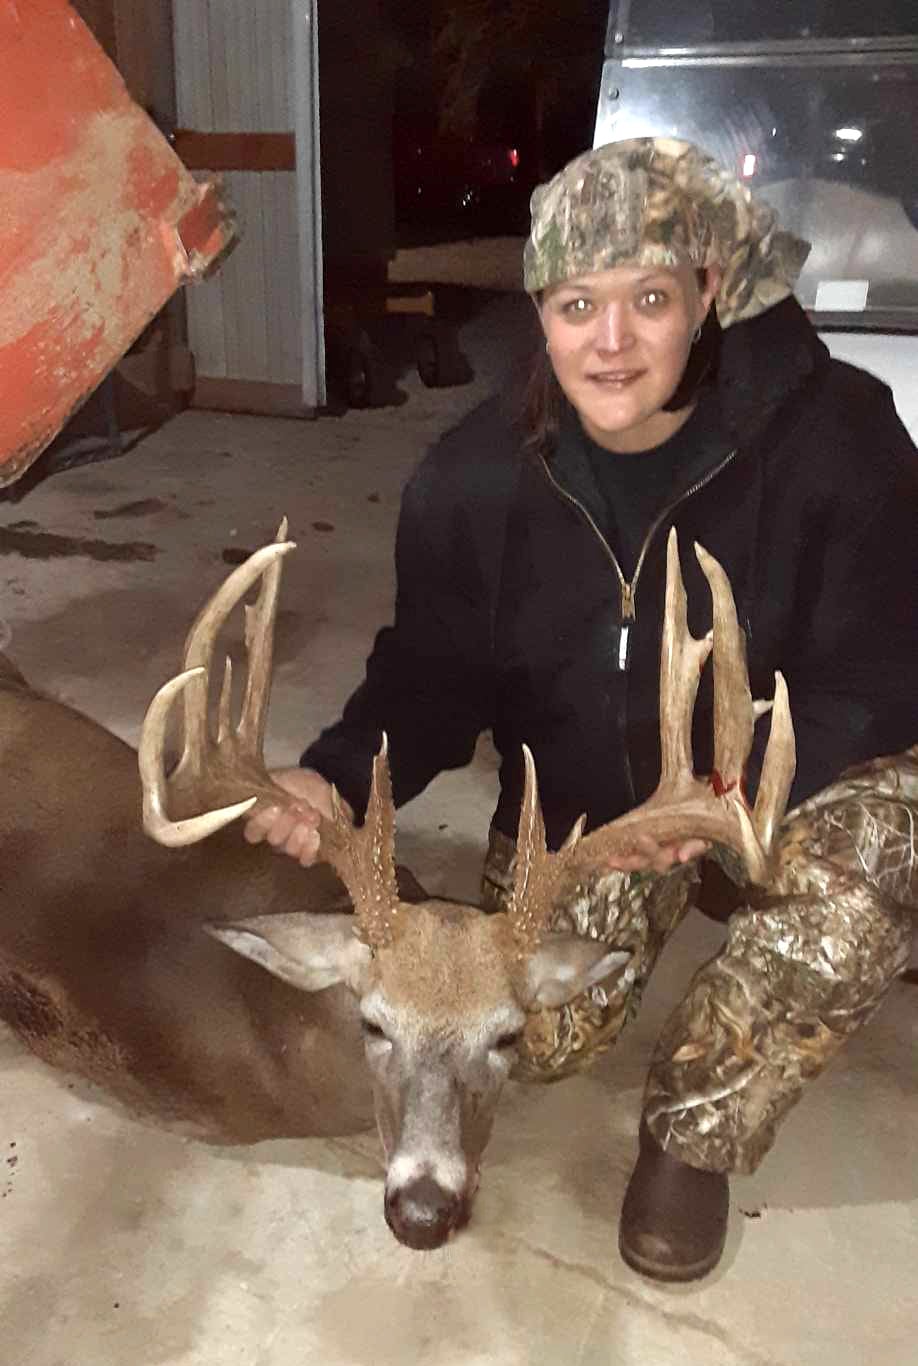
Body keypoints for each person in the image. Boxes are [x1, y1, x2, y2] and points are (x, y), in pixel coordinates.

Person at [245, 138, 918, 1282]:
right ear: (541, 313)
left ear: (708, 293)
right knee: (531, 1036)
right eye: (577, 304)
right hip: (595, 810)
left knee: (856, 889)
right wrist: (334, 765)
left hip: (792, 783)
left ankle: (692, 1137)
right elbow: (432, 674)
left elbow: (887, 669)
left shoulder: (840, 438)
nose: (610, 343)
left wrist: (728, 798)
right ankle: (675, 895)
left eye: (648, 299)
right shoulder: (473, 478)